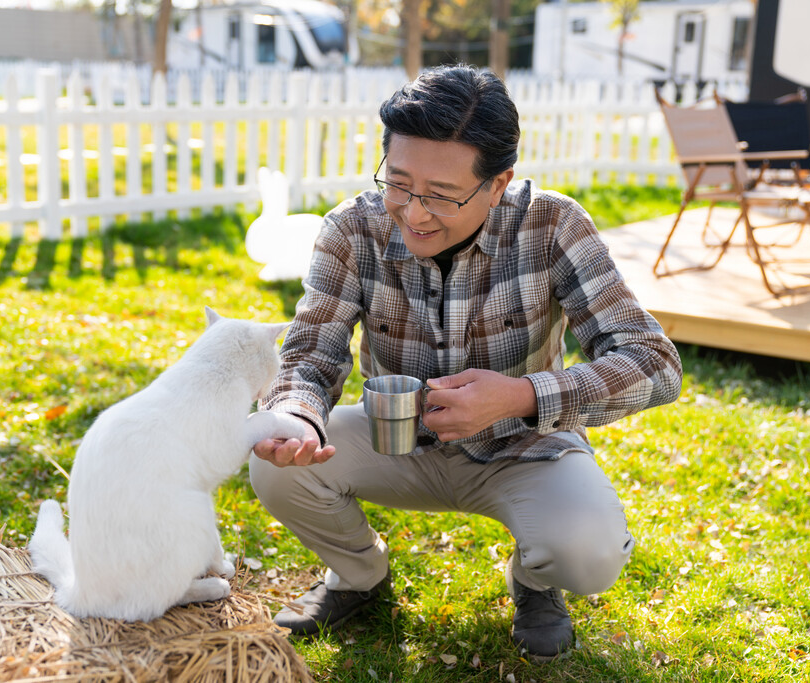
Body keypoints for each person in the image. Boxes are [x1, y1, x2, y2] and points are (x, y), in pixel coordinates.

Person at [249, 64, 682, 661]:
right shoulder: (352, 228)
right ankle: (359, 578)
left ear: (498, 182)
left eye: (442, 195)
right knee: (278, 466)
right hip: (396, 444)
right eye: (398, 184)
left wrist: (522, 395)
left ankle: (535, 582)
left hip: (523, 448)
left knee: (591, 550)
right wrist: (297, 415)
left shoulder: (553, 223)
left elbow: (654, 363)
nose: (414, 213)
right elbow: (310, 351)